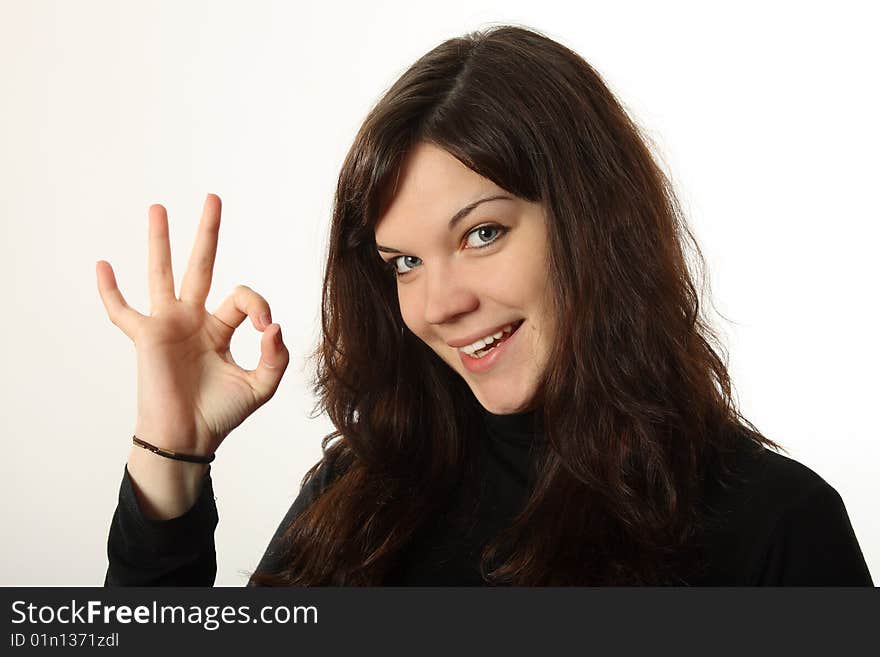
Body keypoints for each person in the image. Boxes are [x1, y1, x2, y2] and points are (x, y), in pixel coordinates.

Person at [97, 25, 873, 586]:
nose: (440, 303)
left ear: (594, 222)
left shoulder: (777, 527)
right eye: (404, 261)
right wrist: (170, 456)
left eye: (483, 233)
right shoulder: (358, 497)